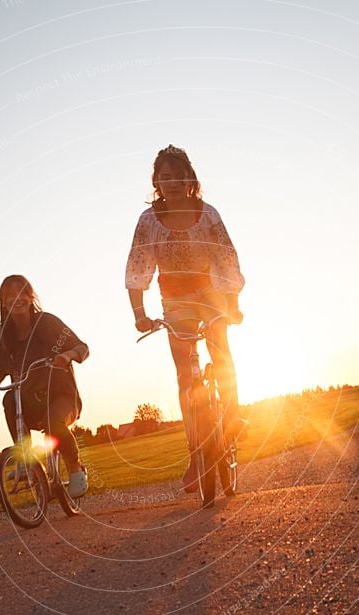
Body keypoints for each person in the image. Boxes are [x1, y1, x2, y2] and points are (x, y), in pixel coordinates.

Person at [125, 144, 246, 491]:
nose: (172, 181)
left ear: (189, 179)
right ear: (157, 183)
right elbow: (137, 266)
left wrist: (232, 302)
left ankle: (234, 418)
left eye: (178, 175)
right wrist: (140, 315)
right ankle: (196, 455)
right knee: (185, 375)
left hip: (210, 294)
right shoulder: (149, 221)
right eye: (165, 176)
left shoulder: (207, 214)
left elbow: (227, 258)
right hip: (174, 300)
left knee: (221, 352)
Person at [0, 275, 89, 497]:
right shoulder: (3, 332)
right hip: (28, 400)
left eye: (21, 293)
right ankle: (25, 461)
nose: (16, 299)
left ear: (30, 297)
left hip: (62, 397)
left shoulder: (46, 322)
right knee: (8, 399)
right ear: (3, 303)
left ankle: (76, 469)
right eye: (9, 296)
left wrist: (67, 355)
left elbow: (83, 347)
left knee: (52, 421)